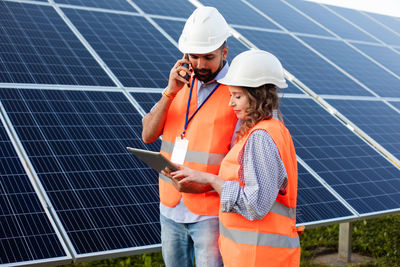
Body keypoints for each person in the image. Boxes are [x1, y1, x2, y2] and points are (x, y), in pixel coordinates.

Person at [167, 50, 301, 267]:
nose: (231, 103)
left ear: (258, 96)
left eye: (237, 96)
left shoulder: (261, 137)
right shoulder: (269, 130)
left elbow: (255, 205)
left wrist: (211, 180)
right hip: (255, 255)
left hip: (257, 257)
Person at [141, 6, 238, 267]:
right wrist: (169, 92)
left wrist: (204, 185)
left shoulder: (238, 94)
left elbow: (240, 164)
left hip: (209, 213)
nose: (200, 65)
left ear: (224, 52)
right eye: (194, 57)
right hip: (170, 207)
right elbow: (148, 135)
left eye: (208, 57)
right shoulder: (178, 86)